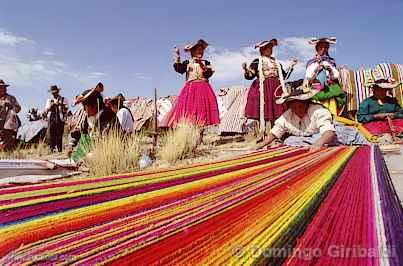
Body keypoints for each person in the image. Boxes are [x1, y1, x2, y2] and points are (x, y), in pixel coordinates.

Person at [257, 80, 368, 150]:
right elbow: (276, 131)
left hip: (327, 134)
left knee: (335, 135)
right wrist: (261, 144)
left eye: (300, 106)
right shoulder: (287, 115)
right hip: (308, 138)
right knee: (289, 141)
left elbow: (328, 132)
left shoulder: (318, 110)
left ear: (306, 103)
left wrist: (319, 143)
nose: (297, 110)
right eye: (294, 107)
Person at [243, 39, 298, 134]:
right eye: (268, 48)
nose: (271, 50)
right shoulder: (257, 61)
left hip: (275, 88)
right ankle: (262, 133)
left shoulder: (276, 62)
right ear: (263, 49)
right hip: (263, 88)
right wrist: (246, 70)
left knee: (276, 110)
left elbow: (284, 77)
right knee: (262, 109)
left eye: (271, 48)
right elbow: (250, 76)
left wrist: (291, 66)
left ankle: (275, 133)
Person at [168, 39, 219, 127]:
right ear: (193, 52)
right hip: (191, 90)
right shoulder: (187, 63)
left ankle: (200, 134)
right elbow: (179, 69)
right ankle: (190, 134)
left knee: (203, 111)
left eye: (201, 51)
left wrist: (201, 65)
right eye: (198, 51)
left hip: (204, 89)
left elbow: (208, 74)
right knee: (190, 110)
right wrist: (177, 55)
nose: (200, 52)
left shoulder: (206, 63)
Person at [68, 85, 117, 160]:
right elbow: (79, 131)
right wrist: (71, 144)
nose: (84, 110)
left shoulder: (107, 117)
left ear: (94, 106)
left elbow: (106, 144)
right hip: (92, 150)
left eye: (85, 107)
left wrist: (88, 156)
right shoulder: (87, 117)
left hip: (109, 153)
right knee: (76, 158)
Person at [305, 37, 345, 115]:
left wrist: (330, 70)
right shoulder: (312, 63)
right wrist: (316, 70)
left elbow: (335, 76)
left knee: (331, 112)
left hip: (330, 90)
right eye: (321, 47)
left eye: (325, 47)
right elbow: (309, 78)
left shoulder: (330, 62)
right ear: (317, 48)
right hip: (316, 90)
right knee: (318, 112)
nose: (323, 49)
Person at [45, 85, 69, 152]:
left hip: (60, 118)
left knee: (59, 134)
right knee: (51, 134)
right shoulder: (49, 100)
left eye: (55, 92)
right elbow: (47, 109)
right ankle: (52, 149)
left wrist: (60, 105)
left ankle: (59, 149)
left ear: (58, 91)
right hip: (51, 118)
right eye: (53, 93)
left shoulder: (64, 99)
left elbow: (66, 108)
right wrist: (52, 105)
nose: (54, 94)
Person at [0, 79, 21, 151]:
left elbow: (18, 108)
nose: (3, 89)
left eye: (4, 87)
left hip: (8, 123)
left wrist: (11, 106)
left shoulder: (11, 98)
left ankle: (7, 152)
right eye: (1, 87)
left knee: (8, 140)